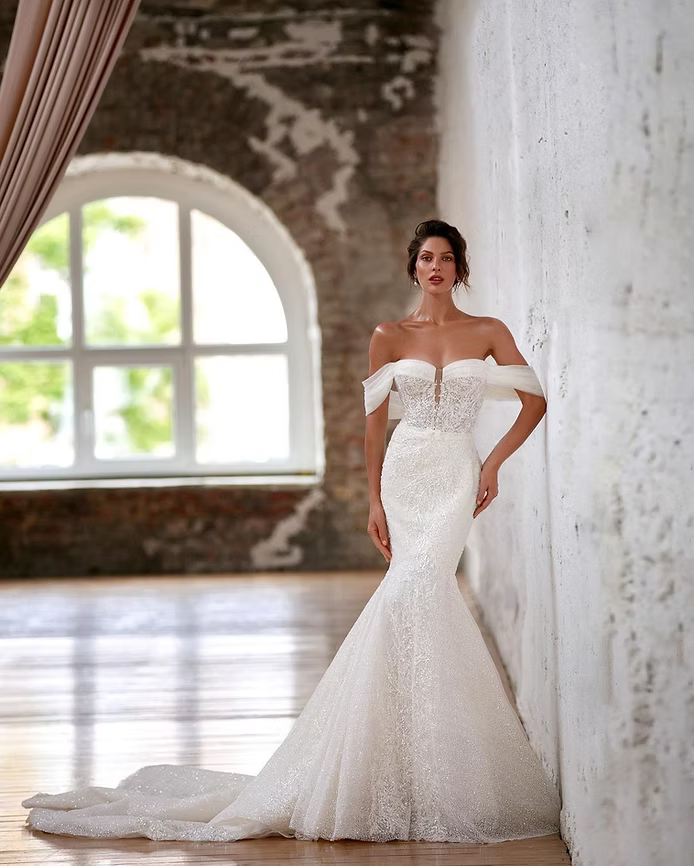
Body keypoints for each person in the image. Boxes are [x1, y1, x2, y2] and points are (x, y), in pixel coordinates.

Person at [22, 219, 561, 844]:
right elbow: (372, 427)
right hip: (407, 471)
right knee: (411, 594)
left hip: (455, 472)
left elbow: (534, 400)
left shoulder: (488, 331)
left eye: (446, 258)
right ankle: (384, 763)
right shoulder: (389, 336)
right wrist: (373, 501)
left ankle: (421, 765)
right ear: (412, 267)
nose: (435, 267)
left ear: (459, 268)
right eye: (425, 258)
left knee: (422, 592)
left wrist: (491, 462)